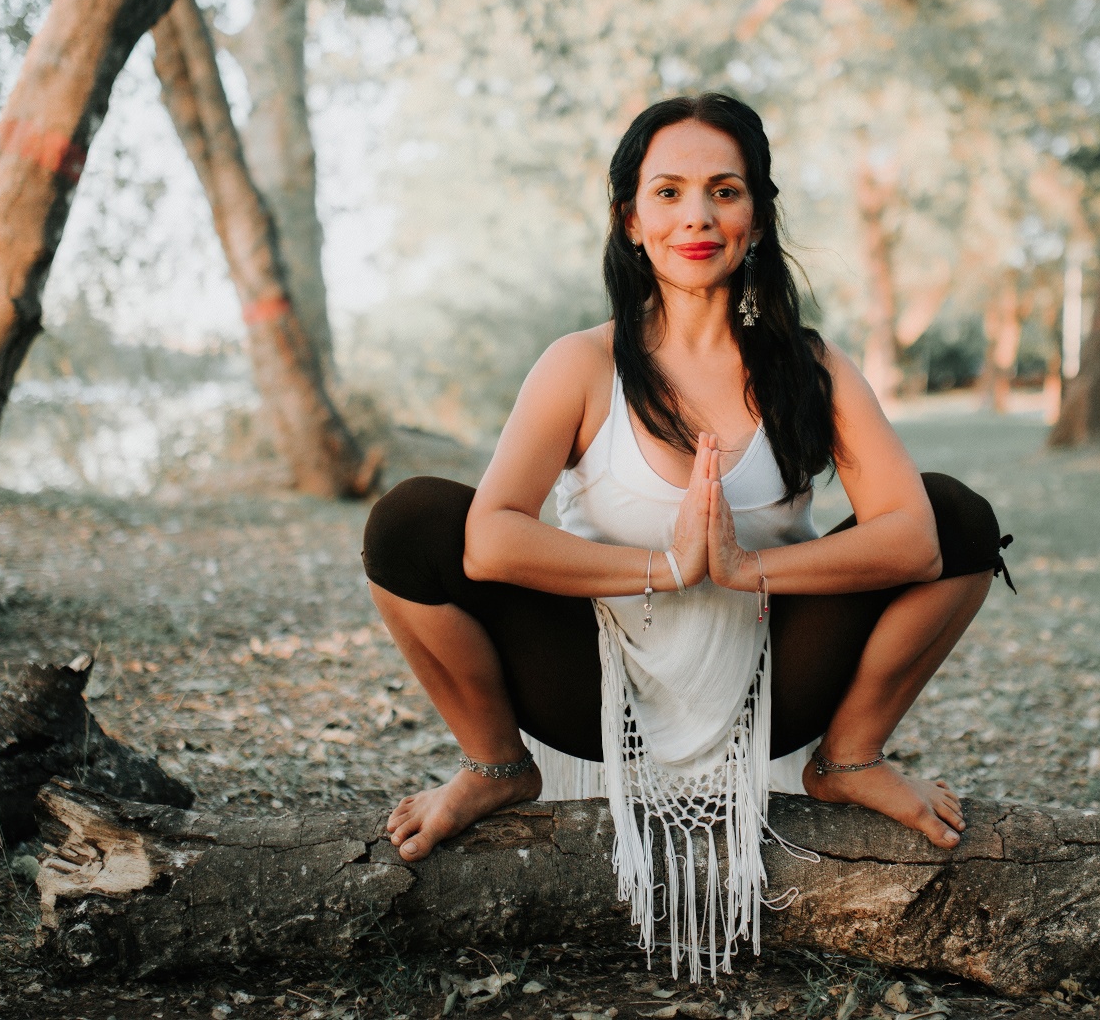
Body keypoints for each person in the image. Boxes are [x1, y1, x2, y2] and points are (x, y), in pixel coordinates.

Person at [361, 93, 1011, 975]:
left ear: (757, 214)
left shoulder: (811, 367)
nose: (697, 215)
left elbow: (917, 543)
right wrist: (665, 567)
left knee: (960, 516)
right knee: (409, 523)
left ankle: (851, 757)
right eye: (667, 192)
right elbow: (489, 541)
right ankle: (494, 766)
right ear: (631, 219)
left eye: (724, 190)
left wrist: (747, 569)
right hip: (600, 685)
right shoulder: (581, 365)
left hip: (770, 679)